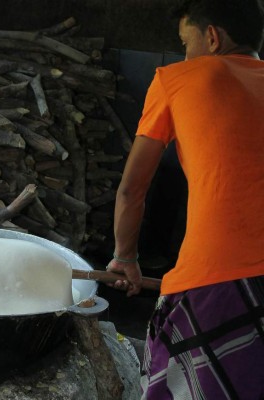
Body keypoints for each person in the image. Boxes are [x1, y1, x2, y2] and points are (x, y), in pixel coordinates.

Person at [106, 0, 264, 398]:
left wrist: (126, 258)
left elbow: (132, 188)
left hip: (220, 279)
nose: (184, 54)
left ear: (212, 38)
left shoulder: (177, 79)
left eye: (185, 42)